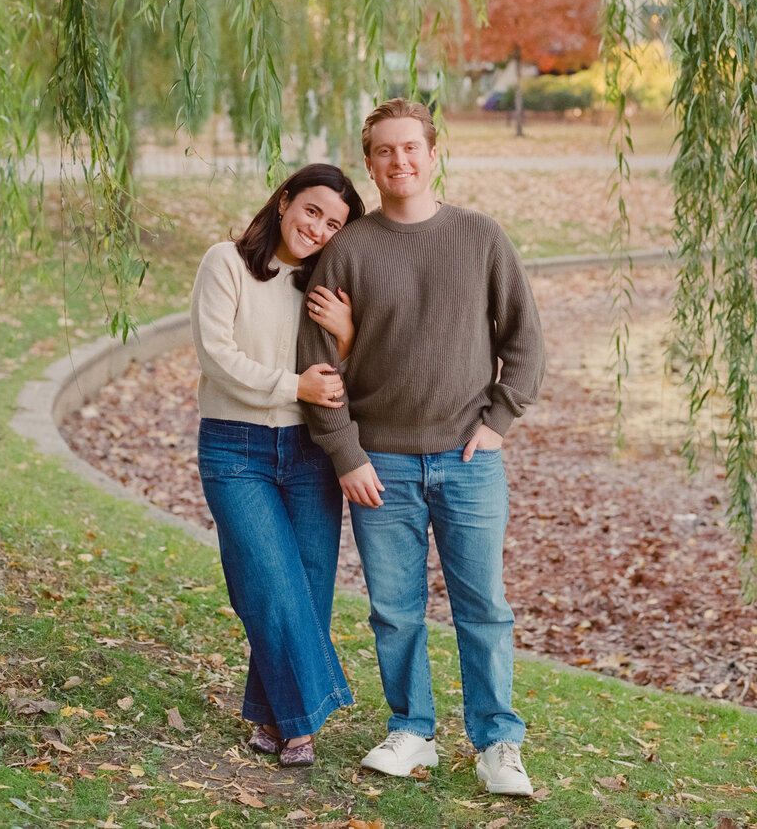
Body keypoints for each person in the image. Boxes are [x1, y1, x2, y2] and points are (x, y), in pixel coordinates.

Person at [298, 99, 545, 795]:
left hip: (469, 462)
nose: (399, 161)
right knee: (395, 608)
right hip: (383, 466)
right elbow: (319, 369)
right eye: (383, 150)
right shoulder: (348, 249)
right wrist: (346, 453)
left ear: (434, 153)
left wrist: (497, 420)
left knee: (485, 608)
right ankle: (414, 729)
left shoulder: (480, 238)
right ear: (369, 160)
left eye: (411, 147)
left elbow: (525, 344)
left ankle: (498, 740)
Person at [191, 164, 364, 767]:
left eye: (334, 223)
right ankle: (303, 724)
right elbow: (218, 357)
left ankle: (271, 714)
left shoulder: (328, 284)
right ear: (285, 199)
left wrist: (345, 339)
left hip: (310, 453)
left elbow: (354, 377)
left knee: (305, 590)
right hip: (236, 450)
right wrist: (294, 386)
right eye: (312, 210)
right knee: (266, 584)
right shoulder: (226, 263)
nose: (317, 228)